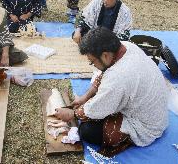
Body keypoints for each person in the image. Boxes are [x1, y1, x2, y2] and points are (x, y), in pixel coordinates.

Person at [55, 27, 168, 157]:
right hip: (155, 111)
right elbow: (104, 74)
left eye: (92, 62)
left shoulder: (118, 77)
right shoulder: (125, 46)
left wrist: (72, 113)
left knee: (87, 131)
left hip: (146, 126)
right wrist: (85, 97)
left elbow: (96, 109)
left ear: (105, 55)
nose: (93, 65)